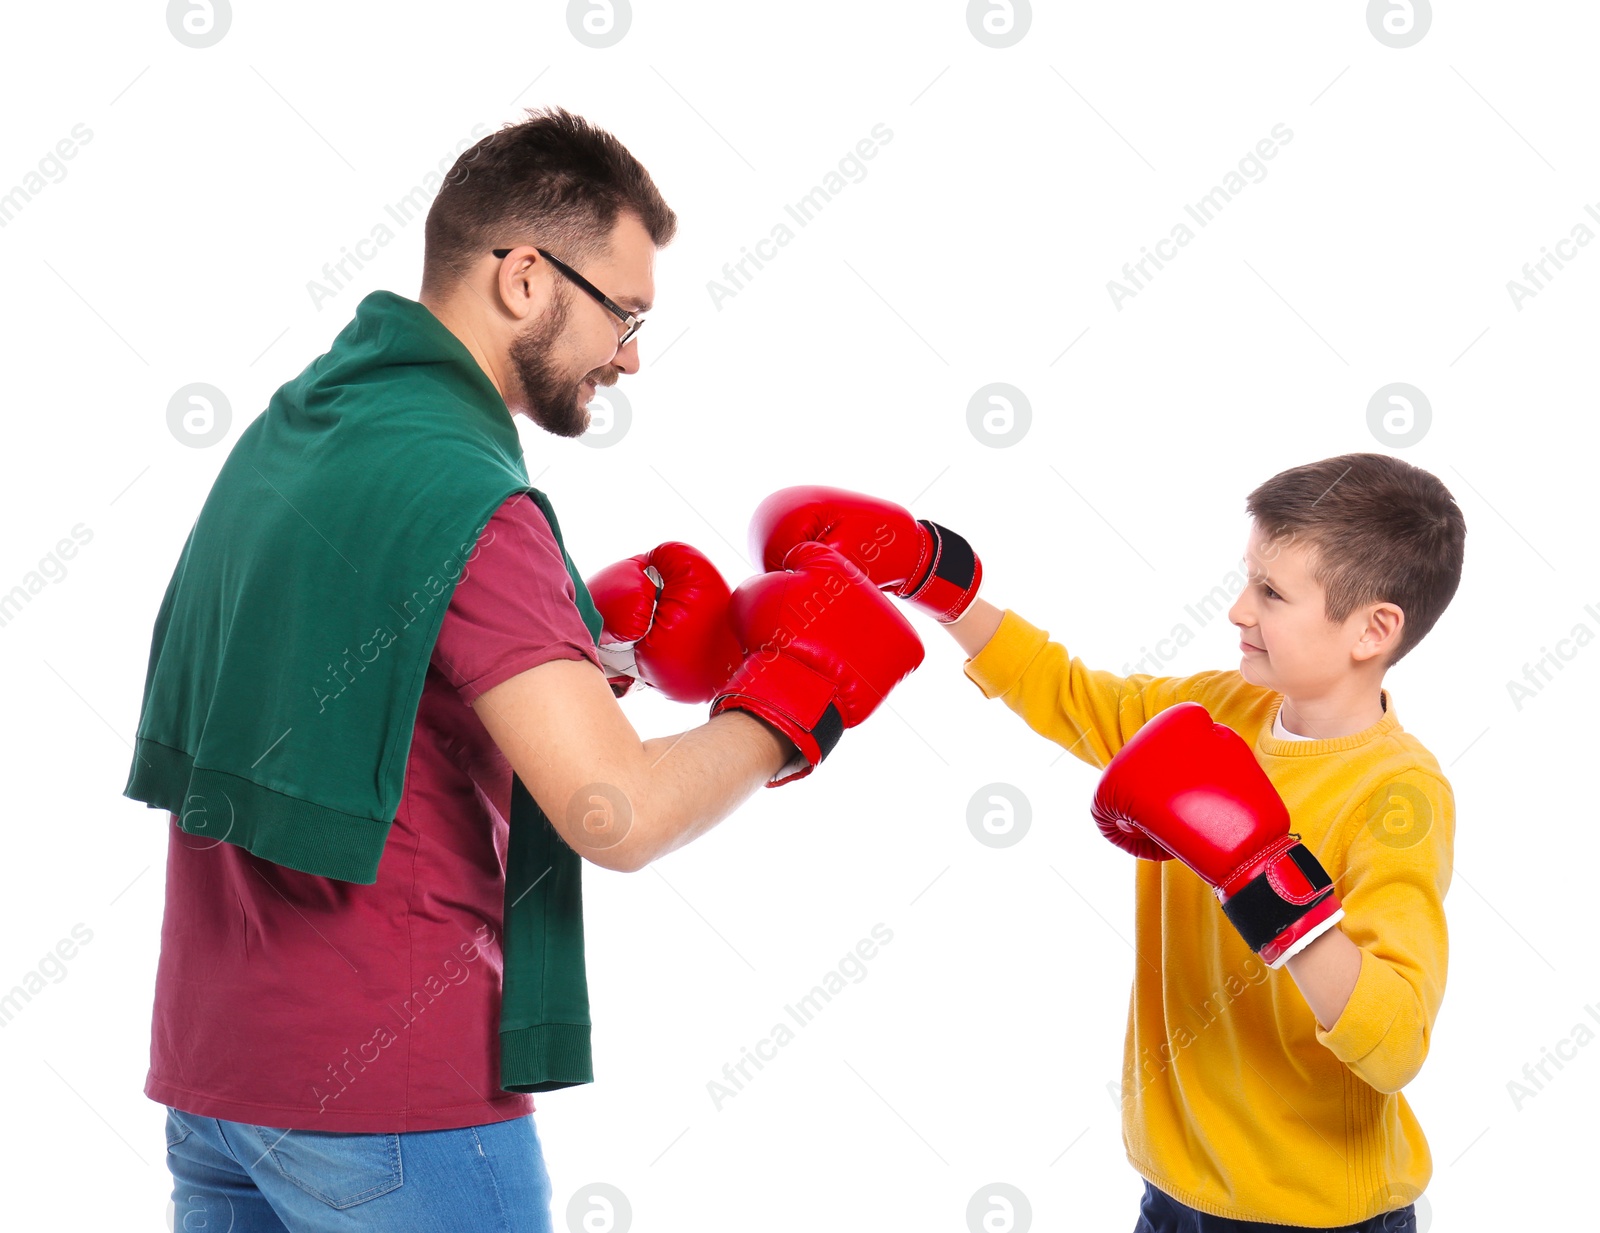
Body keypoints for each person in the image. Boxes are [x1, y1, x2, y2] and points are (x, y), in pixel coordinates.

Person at [125, 107, 923, 1231]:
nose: (632, 355)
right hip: (392, 1111)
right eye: (625, 314)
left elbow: (354, 669)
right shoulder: (469, 499)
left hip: (221, 1087)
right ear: (523, 278)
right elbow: (619, 814)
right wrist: (797, 695)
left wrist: (581, 644)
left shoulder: (307, 420)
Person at [747, 459, 1463, 1231]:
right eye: (1248, 578)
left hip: (1314, 1211)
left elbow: (1396, 1043)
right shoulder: (1219, 709)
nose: (1237, 609)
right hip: (1174, 1188)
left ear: (1373, 629)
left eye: (1272, 593)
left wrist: (1263, 878)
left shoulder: (1399, 794)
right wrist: (933, 580)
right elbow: (1070, 693)